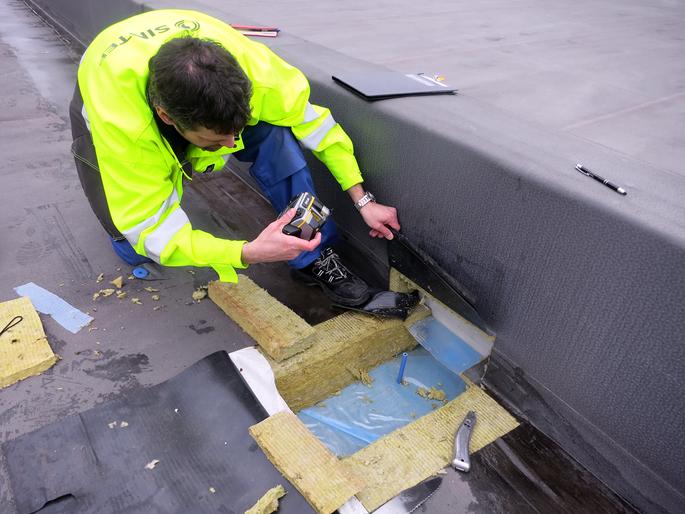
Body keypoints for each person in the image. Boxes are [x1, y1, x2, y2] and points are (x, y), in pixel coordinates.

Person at [69, 9, 400, 307]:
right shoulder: (125, 131)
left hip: (175, 47)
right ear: (166, 117)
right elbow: (154, 233)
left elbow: (320, 129)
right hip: (106, 73)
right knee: (135, 247)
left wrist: (362, 200)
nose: (232, 145)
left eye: (237, 132)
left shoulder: (261, 77)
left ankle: (311, 256)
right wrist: (248, 252)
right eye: (216, 140)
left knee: (274, 134)